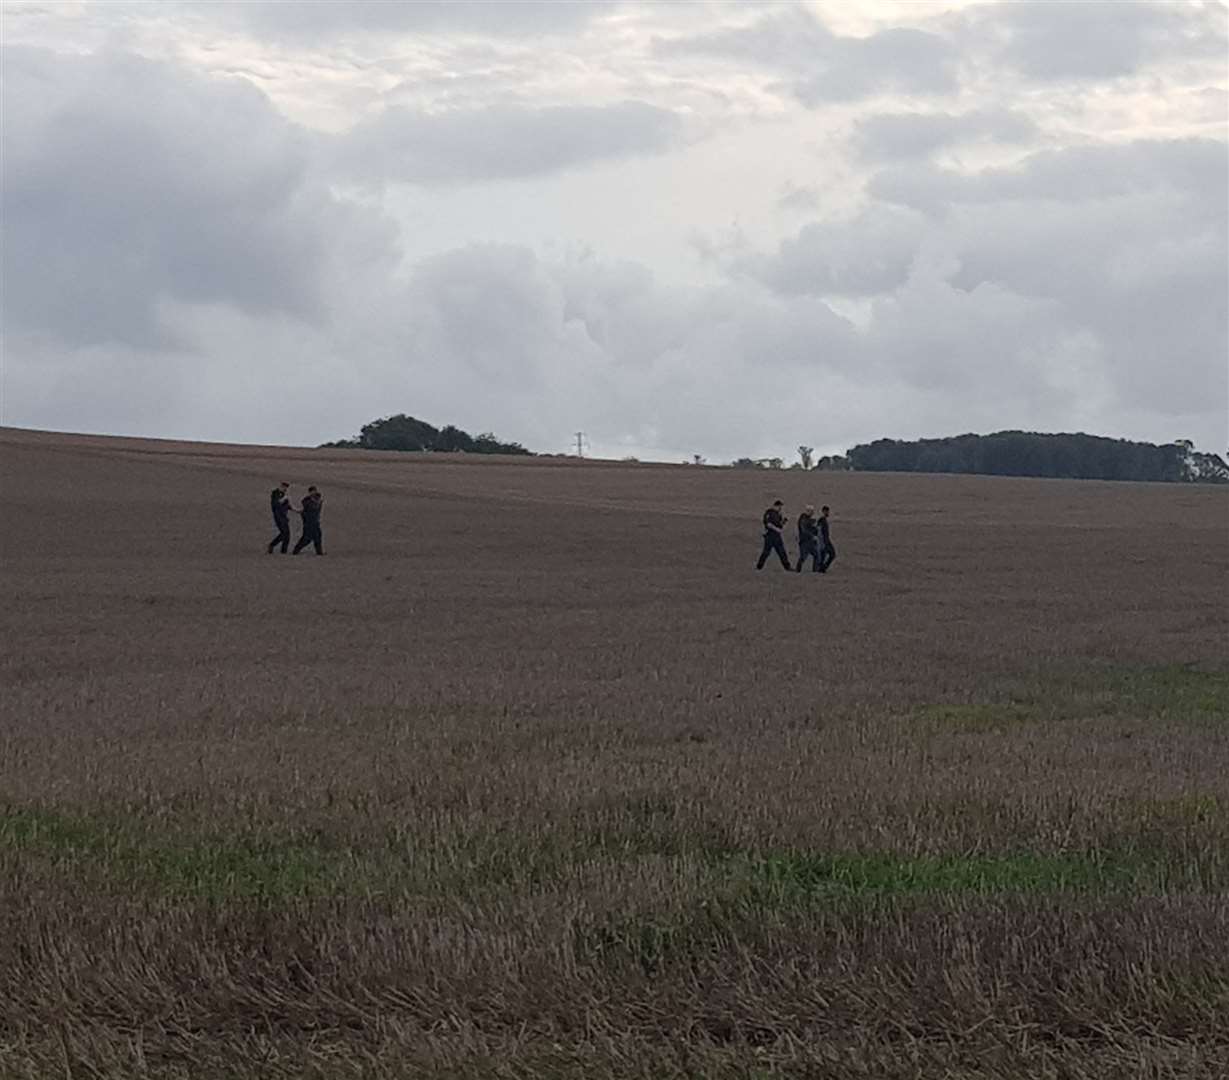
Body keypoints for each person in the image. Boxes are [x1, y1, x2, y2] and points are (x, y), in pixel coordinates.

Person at [756, 499, 790, 570]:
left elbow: (780, 525)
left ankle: (787, 567)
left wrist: (784, 522)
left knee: (782, 552)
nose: (780, 508)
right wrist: (776, 529)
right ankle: (759, 566)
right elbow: (768, 524)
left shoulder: (779, 515)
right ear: (775, 506)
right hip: (770, 536)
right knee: (766, 552)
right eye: (779, 506)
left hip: (777, 536)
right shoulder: (769, 513)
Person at [293, 486, 325, 555]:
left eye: (315, 491)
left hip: (315, 522)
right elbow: (310, 507)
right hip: (308, 523)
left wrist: (318, 502)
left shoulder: (317, 499)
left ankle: (319, 552)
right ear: (310, 492)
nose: (314, 493)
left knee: (318, 537)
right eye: (312, 491)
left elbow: (317, 508)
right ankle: (296, 550)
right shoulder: (306, 501)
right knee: (306, 539)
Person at [267, 482, 292, 554]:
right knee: (284, 533)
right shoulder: (275, 493)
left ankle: (284, 551)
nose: (286, 489)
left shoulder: (283, 495)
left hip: (284, 517)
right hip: (278, 517)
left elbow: (288, 506)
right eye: (285, 487)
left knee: (287, 535)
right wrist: (284, 498)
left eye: (286, 488)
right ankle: (272, 545)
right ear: (281, 486)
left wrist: (298, 510)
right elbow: (277, 503)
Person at [795, 504, 820, 572]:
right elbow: (804, 530)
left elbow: (812, 529)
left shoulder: (808, 519)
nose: (812, 513)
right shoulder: (803, 519)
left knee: (816, 555)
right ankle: (798, 570)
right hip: (805, 542)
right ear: (808, 511)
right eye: (811, 511)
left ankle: (815, 570)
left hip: (810, 541)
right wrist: (813, 535)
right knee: (803, 557)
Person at [817, 504, 836, 573]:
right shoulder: (822, 520)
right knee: (831, 554)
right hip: (824, 541)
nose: (828, 513)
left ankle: (822, 568)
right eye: (826, 511)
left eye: (828, 511)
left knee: (825, 555)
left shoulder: (823, 520)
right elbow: (819, 532)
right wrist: (822, 542)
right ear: (823, 512)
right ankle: (822, 568)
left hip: (826, 540)